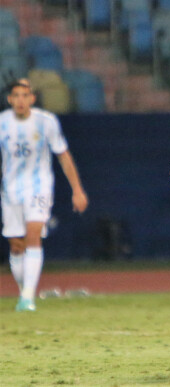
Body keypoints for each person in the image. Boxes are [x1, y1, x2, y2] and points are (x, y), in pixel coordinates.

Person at [0, 79, 89, 311]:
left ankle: (28, 296)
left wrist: (77, 189)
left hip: (39, 187)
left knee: (33, 234)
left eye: (25, 95)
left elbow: (64, 155)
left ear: (32, 98)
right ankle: (25, 291)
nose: (21, 100)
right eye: (16, 95)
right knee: (16, 245)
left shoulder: (46, 122)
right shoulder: (2, 123)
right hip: (10, 190)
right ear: (10, 99)